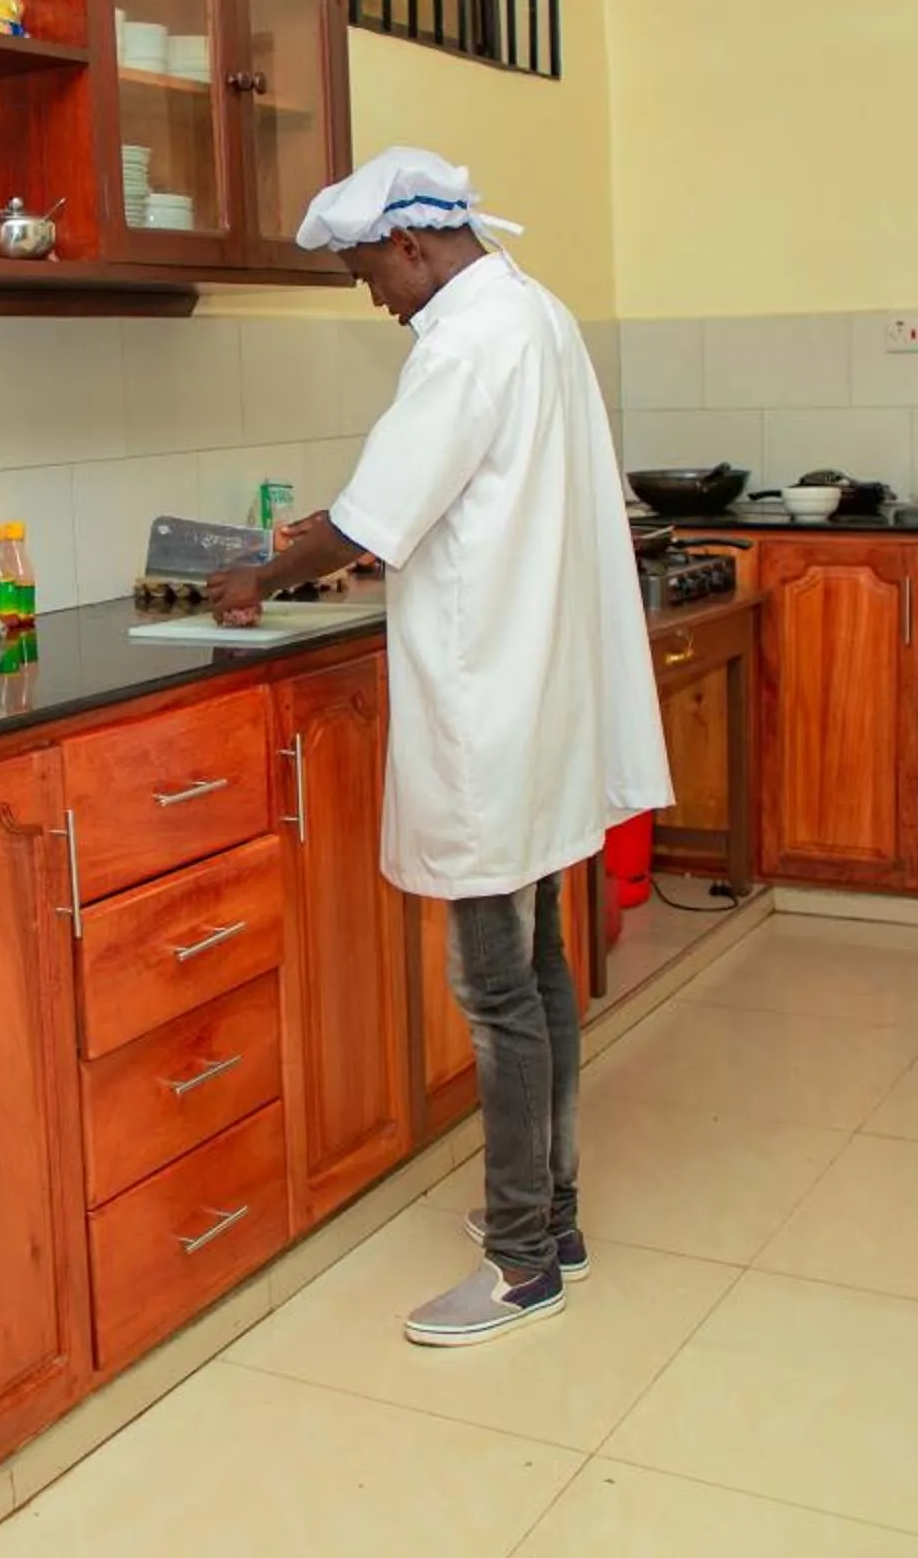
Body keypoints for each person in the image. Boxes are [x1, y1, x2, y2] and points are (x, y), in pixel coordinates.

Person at [209, 146, 669, 1347]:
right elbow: (448, 496)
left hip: (490, 708)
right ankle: (553, 1216)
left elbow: (370, 521)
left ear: (412, 245)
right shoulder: (535, 311)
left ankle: (522, 1261)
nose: (375, 295)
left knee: (493, 987)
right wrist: (333, 530)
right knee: (543, 970)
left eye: (369, 272)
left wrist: (260, 570)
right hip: (540, 694)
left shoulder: (463, 341)